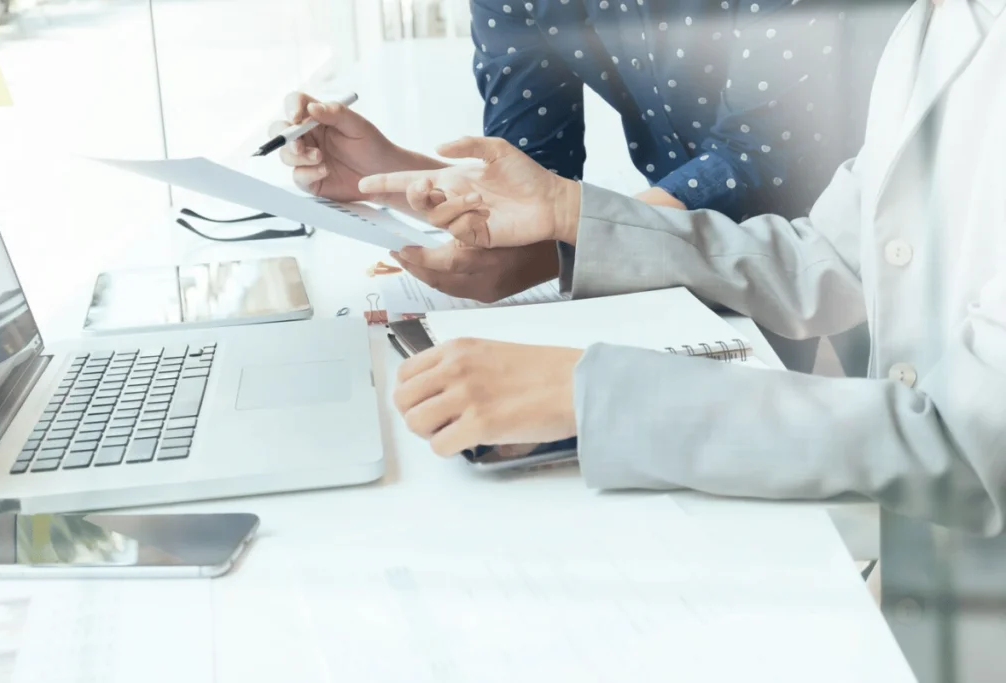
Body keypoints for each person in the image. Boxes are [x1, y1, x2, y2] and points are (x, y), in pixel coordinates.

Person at [361, 0, 1006, 678]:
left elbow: (964, 443)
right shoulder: (940, 22)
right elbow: (825, 258)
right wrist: (570, 212)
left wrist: (595, 392)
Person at [273, 0, 906, 374]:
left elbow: (759, 166)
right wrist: (387, 171)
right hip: (709, 254)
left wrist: (562, 241)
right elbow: (532, 173)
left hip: (884, 234)